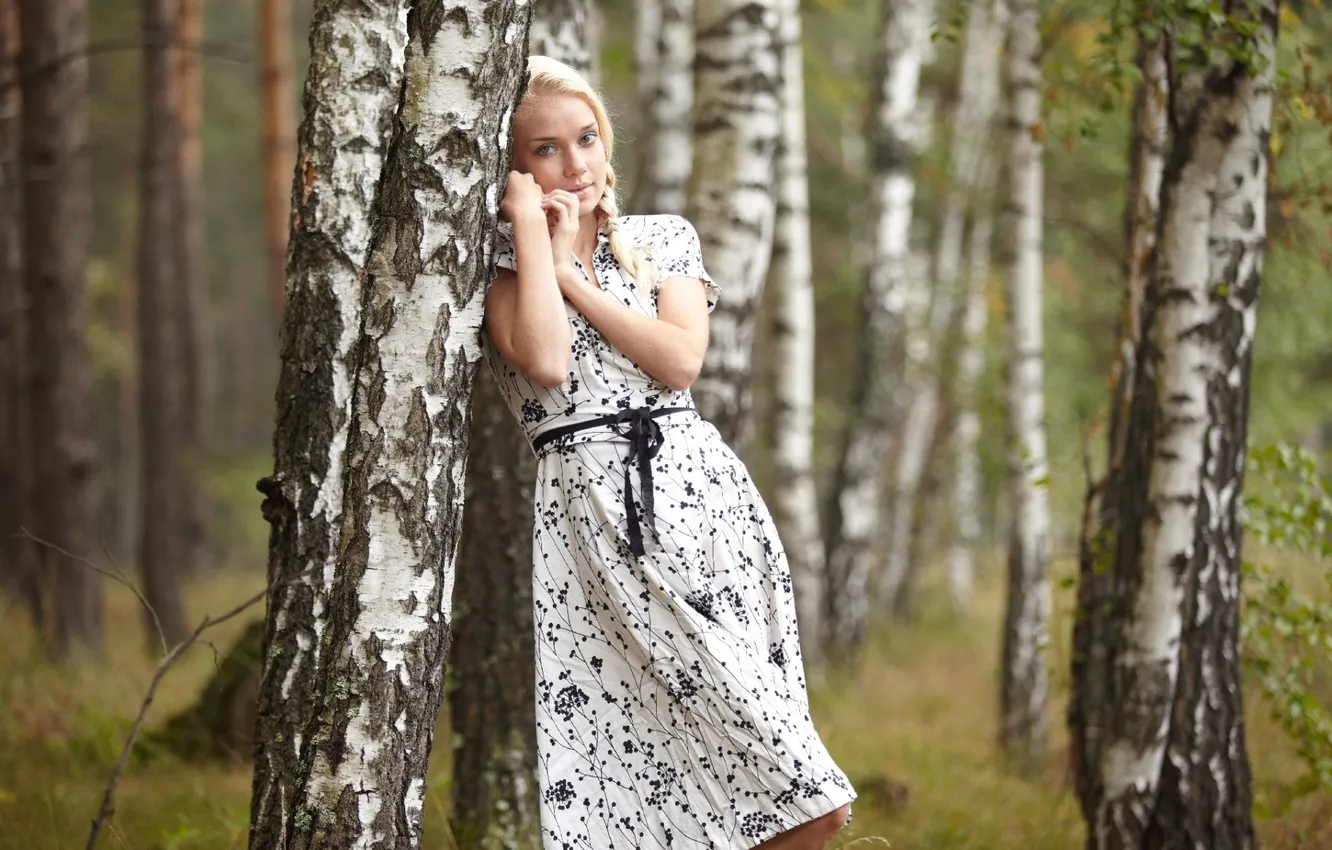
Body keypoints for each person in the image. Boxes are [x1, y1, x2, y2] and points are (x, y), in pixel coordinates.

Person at [481, 55, 856, 850]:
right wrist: (531, 233)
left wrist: (576, 275)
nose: (575, 164)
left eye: (585, 138)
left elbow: (680, 360)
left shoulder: (660, 241)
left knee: (788, 788)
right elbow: (545, 362)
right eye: (546, 149)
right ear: (514, 165)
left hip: (706, 508)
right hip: (599, 528)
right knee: (692, 791)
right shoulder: (505, 269)